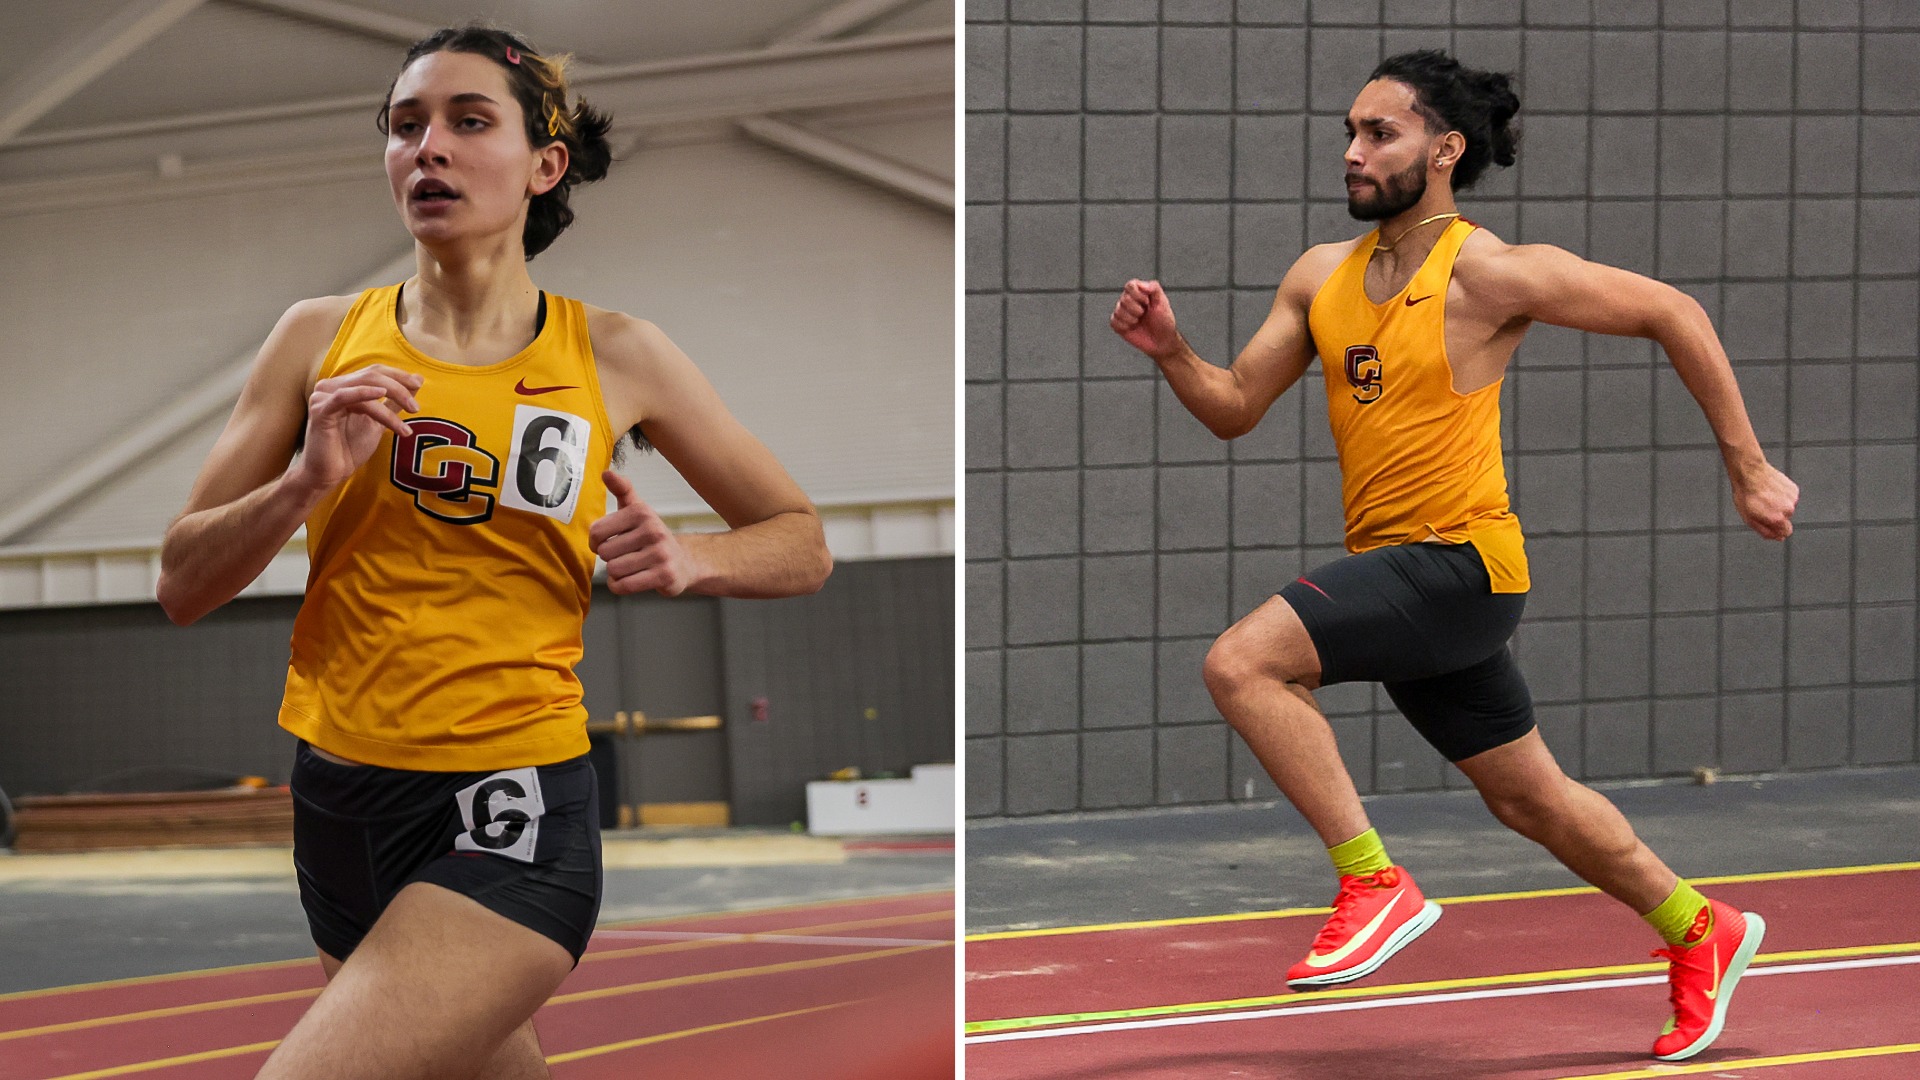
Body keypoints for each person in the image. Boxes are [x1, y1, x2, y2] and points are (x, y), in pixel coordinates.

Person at [157, 25, 831, 1080]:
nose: (429, 148)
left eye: (469, 122)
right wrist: (302, 481)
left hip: (508, 796)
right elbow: (182, 584)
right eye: (406, 125)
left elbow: (804, 542)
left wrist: (694, 562)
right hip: (337, 796)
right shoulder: (315, 341)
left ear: (544, 164)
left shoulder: (615, 352)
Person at [1109, 50, 1797, 1063]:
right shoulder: (1321, 277)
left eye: (1378, 134)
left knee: (1243, 662)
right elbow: (1234, 408)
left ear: (1444, 149)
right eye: (1348, 132)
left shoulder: (1485, 269)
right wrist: (1174, 351)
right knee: (1529, 798)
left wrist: (1748, 469)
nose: (1352, 152)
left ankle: (1373, 882)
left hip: (1461, 565)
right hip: (1405, 577)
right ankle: (1704, 928)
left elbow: (1673, 312)